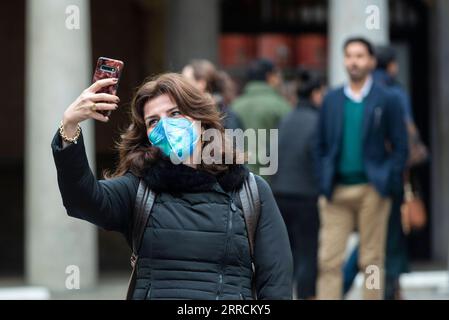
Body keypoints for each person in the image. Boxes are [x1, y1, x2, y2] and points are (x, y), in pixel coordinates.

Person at [51, 73, 293, 300]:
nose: (165, 126)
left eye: (175, 113)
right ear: (146, 135)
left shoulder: (250, 191)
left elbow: (275, 281)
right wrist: (69, 126)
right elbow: (82, 201)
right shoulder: (139, 188)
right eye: (153, 121)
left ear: (199, 117)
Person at [315, 37, 408, 300]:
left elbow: (401, 145)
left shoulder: (387, 99)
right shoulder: (332, 99)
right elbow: (319, 144)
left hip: (372, 189)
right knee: (329, 260)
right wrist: (322, 177)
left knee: (372, 260)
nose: (353, 61)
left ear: (371, 61)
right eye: (349, 56)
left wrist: (389, 178)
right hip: (336, 190)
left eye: (359, 56)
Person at [343, 45, 428, 299]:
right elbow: (406, 138)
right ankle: (386, 289)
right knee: (386, 240)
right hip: (387, 180)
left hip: (361, 177)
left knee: (372, 240)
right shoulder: (393, 93)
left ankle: (353, 287)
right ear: (391, 65)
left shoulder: (362, 93)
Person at [271, 69, 326, 300]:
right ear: (315, 93)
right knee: (308, 252)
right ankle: (306, 296)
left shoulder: (286, 118)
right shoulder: (317, 121)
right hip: (306, 195)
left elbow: (271, 155)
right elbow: (318, 159)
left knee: (287, 252)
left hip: (280, 193)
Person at [232, 59, 292, 181]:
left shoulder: (234, 105)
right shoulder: (281, 106)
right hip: (271, 179)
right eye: (278, 75)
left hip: (239, 177)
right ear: (270, 77)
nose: (280, 80)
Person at [182, 59, 243, 130]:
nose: (181, 85)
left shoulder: (225, 117)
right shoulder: (184, 112)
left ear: (201, 83)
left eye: (186, 80)